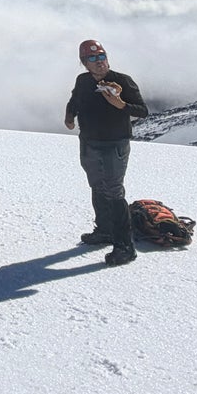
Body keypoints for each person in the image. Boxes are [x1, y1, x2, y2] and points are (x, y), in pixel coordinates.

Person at [65, 40, 148, 265]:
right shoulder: (83, 81)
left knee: (113, 191)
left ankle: (124, 247)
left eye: (101, 56)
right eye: (92, 58)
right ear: (84, 63)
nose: (99, 61)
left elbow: (142, 111)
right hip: (89, 142)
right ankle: (104, 230)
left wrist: (121, 104)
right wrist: (69, 116)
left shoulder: (122, 81)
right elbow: (74, 99)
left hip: (115, 144)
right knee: (97, 186)